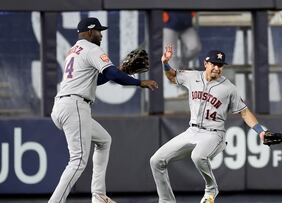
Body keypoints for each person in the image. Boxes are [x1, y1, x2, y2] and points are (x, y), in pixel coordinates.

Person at [49, 17, 158, 203]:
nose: (101, 35)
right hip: (75, 106)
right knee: (77, 161)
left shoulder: (73, 51)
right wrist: (139, 82)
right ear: (90, 31)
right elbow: (112, 74)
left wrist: (119, 70)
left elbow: (97, 80)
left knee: (104, 140)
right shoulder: (92, 48)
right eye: (99, 31)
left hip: (63, 106)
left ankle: (98, 196)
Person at [150, 45, 269, 203]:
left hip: (214, 134)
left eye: (220, 65)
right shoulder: (192, 77)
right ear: (205, 63)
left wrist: (260, 131)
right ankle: (166, 201)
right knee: (156, 161)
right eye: (214, 63)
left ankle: (211, 189)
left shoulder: (229, 88)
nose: (217, 68)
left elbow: (244, 112)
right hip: (192, 131)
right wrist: (165, 63)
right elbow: (172, 77)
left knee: (198, 156)